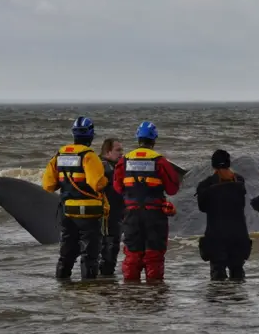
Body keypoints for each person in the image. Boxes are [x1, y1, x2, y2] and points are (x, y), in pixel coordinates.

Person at [41, 116, 108, 280]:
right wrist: (107, 179)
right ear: (91, 135)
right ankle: (87, 289)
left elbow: (48, 185)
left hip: (67, 211)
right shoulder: (89, 156)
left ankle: (62, 286)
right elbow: (97, 184)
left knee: (66, 253)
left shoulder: (60, 154)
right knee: (89, 255)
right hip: (89, 213)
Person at [113, 121, 180, 282]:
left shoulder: (124, 161)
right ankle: (154, 294)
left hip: (131, 214)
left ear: (138, 139)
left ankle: (131, 293)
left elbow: (117, 186)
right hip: (154, 214)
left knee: (132, 255)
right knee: (154, 255)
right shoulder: (160, 161)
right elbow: (173, 188)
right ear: (154, 140)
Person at [196, 149, 252, 281]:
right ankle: (237, 300)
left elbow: (202, 208)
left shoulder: (206, 184)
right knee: (238, 273)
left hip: (216, 235)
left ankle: (221, 299)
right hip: (239, 234)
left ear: (213, 165)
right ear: (229, 163)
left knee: (218, 274)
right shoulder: (240, 180)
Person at [98, 138, 125, 276]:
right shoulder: (103, 167)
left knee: (110, 246)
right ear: (108, 152)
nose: (121, 153)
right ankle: (106, 276)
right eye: (118, 150)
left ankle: (105, 278)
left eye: (122, 150)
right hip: (108, 215)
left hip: (115, 213)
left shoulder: (114, 166)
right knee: (109, 246)